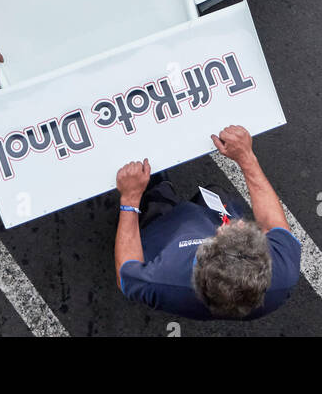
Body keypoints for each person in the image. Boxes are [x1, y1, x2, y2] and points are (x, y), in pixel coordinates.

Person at [114, 125, 301, 320]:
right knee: (217, 196)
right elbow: (272, 223)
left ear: (203, 256)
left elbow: (125, 273)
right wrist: (246, 158)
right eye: (250, 234)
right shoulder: (282, 272)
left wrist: (130, 198)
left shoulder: (166, 278)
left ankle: (156, 197)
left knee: (156, 212)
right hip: (209, 234)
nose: (239, 224)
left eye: (225, 234)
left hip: (164, 240)